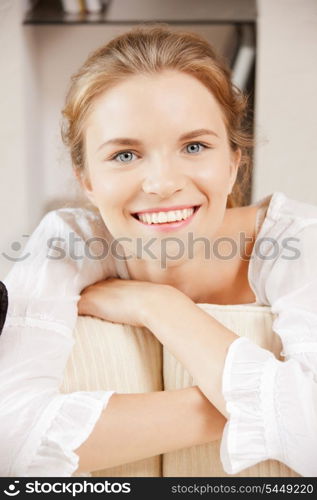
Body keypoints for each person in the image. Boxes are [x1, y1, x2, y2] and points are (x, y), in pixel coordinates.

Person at [1, 25, 317, 478]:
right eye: (125, 155)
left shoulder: (301, 241)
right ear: (87, 178)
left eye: (194, 146)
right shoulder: (67, 240)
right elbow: (9, 441)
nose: (163, 183)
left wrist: (160, 307)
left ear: (232, 163)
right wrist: (259, 406)